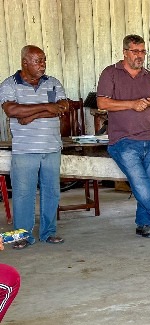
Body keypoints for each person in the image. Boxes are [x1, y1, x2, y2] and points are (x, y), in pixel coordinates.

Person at [97, 34, 150, 238]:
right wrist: (132, 103)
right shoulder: (110, 73)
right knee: (140, 183)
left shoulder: (149, 76)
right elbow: (102, 103)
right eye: (135, 51)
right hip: (123, 140)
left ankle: (144, 224)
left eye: (143, 51)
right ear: (124, 52)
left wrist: (149, 103)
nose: (140, 56)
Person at [0, 45, 68, 249]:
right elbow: (12, 110)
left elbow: (63, 107)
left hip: (51, 148)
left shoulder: (53, 83)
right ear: (24, 63)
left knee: (51, 192)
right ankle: (22, 235)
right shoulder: (9, 84)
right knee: (23, 194)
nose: (43, 65)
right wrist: (47, 106)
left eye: (44, 60)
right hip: (25, 149)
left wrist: (32, 114)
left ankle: (48, 233)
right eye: (38, 61)